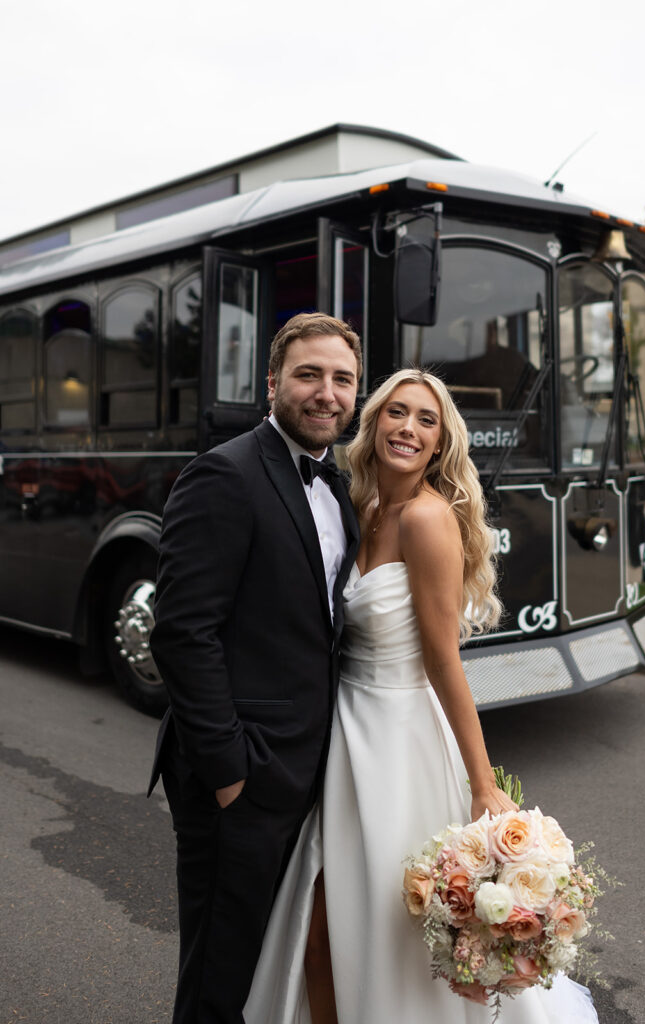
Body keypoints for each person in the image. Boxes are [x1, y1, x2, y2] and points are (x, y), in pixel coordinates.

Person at [244, 368, 598, 1023]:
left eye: (425, 421)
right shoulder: (361, 505)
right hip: (344, 736)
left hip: (401, 742)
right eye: (396, 413)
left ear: (439, 445)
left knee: (385, 927)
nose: (407, 428)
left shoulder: (428, 519)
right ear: (373, 423)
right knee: (320, 929)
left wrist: (482, 781)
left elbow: (443, 661)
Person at [148, 312, 362, 1024]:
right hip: (240, 779)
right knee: (218, 978)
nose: (325, 393)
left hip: (306, 770)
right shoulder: (225, 474)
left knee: (267, 967)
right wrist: (229, 774)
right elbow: (183, 632)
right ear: (271, 384)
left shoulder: (339, 486)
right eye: (308, 375)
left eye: (341, 379)